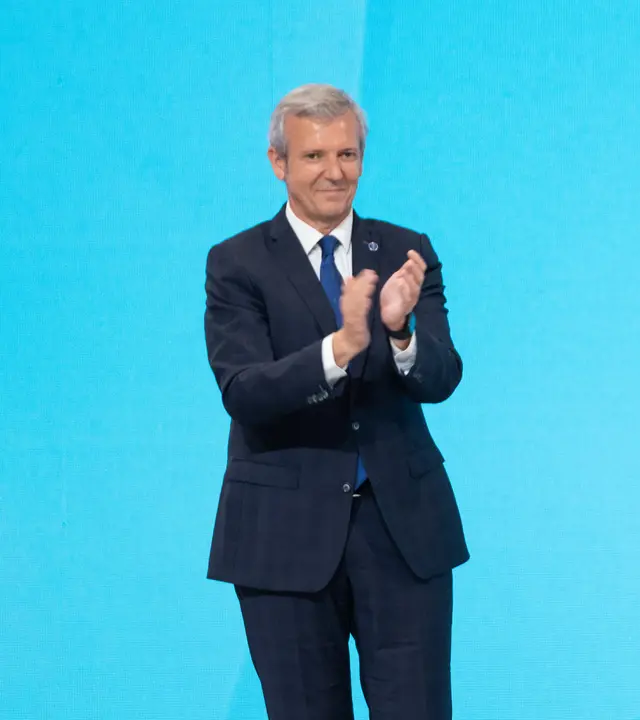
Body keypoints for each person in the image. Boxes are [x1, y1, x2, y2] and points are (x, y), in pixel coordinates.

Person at [203, 84, 467, 719]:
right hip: (282, 540)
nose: (335, 171)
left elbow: (443, 375)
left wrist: (399, 331)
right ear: (279, 163)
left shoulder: (407, 250)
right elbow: (244, 390)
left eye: (347, 154)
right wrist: (341, 347)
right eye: (315, 156)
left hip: (402, 532)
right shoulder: (236, 262)